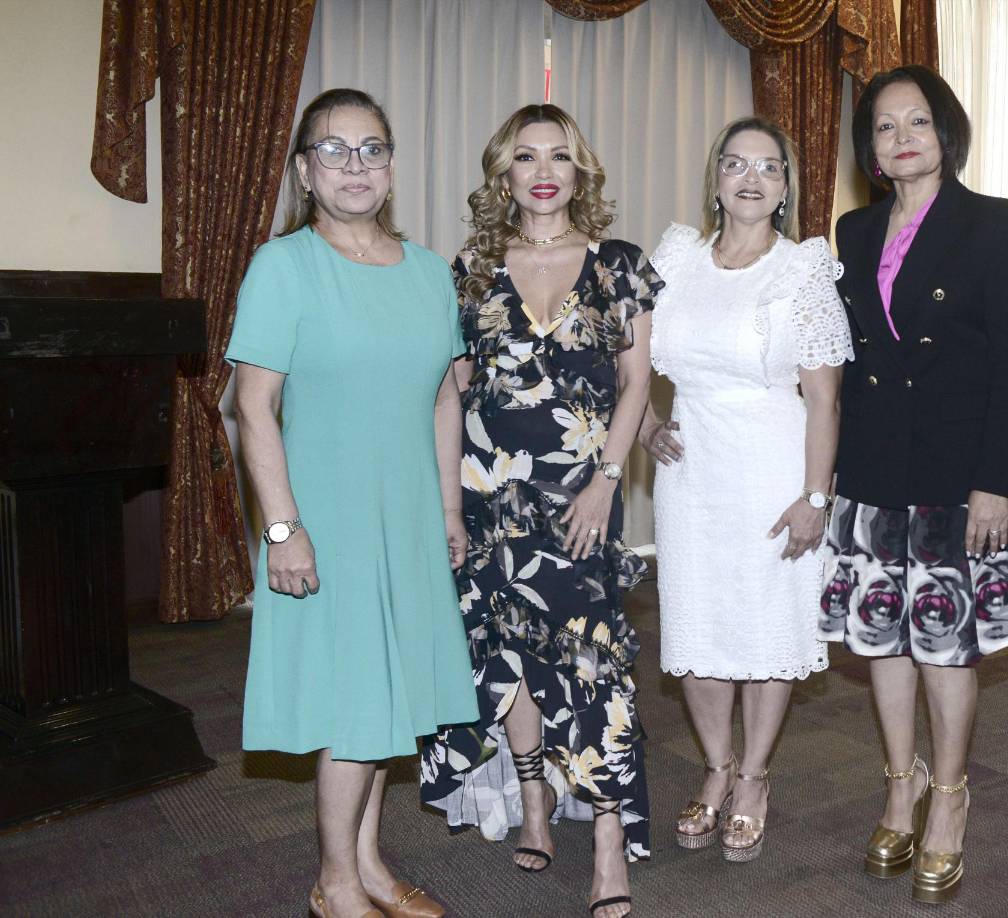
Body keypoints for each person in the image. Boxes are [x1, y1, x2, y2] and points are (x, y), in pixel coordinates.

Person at [227, 88, 478, 918]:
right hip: (323, 517)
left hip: (405, 514)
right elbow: (252, 407)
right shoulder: (283, 266)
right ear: (305, 170)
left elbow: (445, 398)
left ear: (392, 166)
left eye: (371, 149)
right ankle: (334, 883)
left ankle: (368, 864)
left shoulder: (428, 272)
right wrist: (281, 528)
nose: (355, 166)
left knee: (390, 694)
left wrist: (447, 509)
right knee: (354, 698)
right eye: (333, 150)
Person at [419, 104, 660, 918]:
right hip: (491, 499)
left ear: (579, 170)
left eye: (559, 154)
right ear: (504, 175)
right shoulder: (469, 271)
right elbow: (451, 397)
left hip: (581, 499)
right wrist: (450, 507)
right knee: (508, 654)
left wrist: (604, 478)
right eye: (525, 157)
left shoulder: (620, 265)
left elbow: (636, 386)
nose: (543, 169)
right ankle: (530, 803)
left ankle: (604, 834)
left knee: (592, 661)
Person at [818, 65, 1008, 903]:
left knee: (944, 641)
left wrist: (994, 480)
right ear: (868, 148)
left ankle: (948, 799)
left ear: (945, 133)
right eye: (882, 126)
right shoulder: (852, 229)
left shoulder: (992, 222)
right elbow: (842, 352)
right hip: (873, 470)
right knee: (880, 639)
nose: (900, 135)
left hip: (955, 470)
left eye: (916, 121)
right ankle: (897, 786)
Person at [639, 116, 853, 863]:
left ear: (787, 186)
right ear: (716, 179)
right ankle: (715, 766)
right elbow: (631, 361)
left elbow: (824, 399)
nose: (751, 178)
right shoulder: (675, 258)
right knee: (696, 626)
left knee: (766, 631)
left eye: (768, 167)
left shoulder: (802, 270)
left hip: (772, 465)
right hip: (690, 470)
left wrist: (814, 497)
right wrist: (640, 427)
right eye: (736, 164)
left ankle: (754, 775)